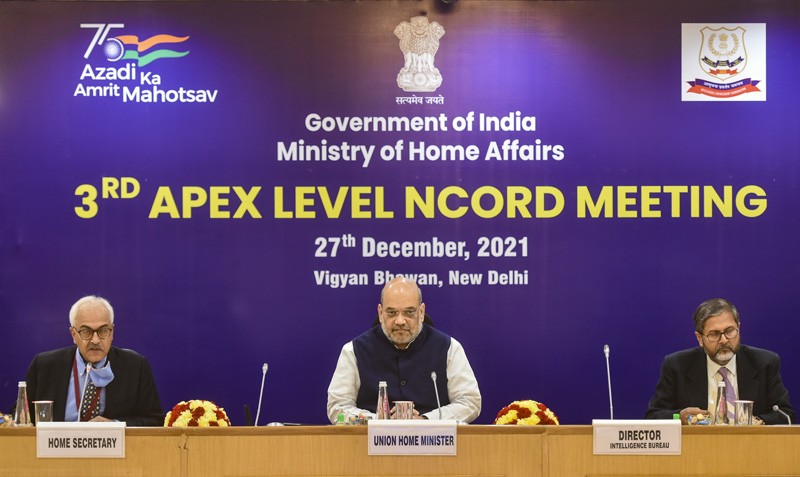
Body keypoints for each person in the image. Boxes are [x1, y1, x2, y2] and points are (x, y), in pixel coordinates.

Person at [327, 277, 481, 423]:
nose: (400, 321)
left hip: (434, 444)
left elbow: (470, 401)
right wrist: (378, 421)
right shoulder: (354, 350)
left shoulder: (449, 348)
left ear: (421, 312)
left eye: (409, 312)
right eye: (392, 313)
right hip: (370, 445)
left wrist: (426, 420)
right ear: (380, 313)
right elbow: (337, 407)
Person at [18, 295, 163, 426]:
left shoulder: (135, 366)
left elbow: (154, 420)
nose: (95, 340)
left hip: (113, 453)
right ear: (73, 334)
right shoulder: (45, 365)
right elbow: (21, 417)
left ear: (112, 332)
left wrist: (115, 425)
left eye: (103, 331)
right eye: (86, 331)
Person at [646, 298, 794, 425]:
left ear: (739, 328)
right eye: (714, 334)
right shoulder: (677, 365)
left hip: (751, 450)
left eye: (730, 331)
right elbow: (653, 417)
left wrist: (757, 421)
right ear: (700, 338)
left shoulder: (764, 363)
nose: (724, 340)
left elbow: (785, 415)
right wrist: (680, 417)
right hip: (698, 452)